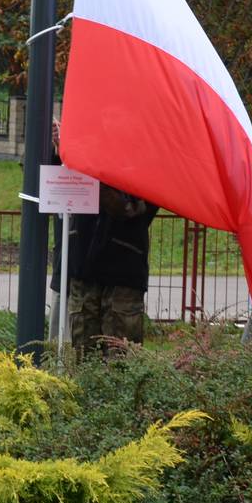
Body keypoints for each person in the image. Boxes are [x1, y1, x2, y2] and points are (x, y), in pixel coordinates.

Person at [49, 122, 160, 354]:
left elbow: (127, 209)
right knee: (84, 360)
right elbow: (51, 184)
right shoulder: (86, 147)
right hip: (83, 269)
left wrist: (87, 167)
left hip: (123, 273)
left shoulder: (147, 158)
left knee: (120, 361)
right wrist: (58, 149)